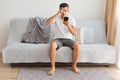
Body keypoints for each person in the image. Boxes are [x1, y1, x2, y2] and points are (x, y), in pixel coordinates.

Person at [46, 3, 80, 75]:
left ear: (68, 11)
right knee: (52, 45)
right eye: (62, 10)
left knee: (77, 45)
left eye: (65, 10)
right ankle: (53, 67)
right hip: (58, 39)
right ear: (59, 10)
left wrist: (68, 25)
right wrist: (57, 14)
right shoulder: (57, 18)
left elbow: (74, 33)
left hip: (68, 39)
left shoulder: (71, 19)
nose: (63, 12)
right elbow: (47, 22)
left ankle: (74, 66)